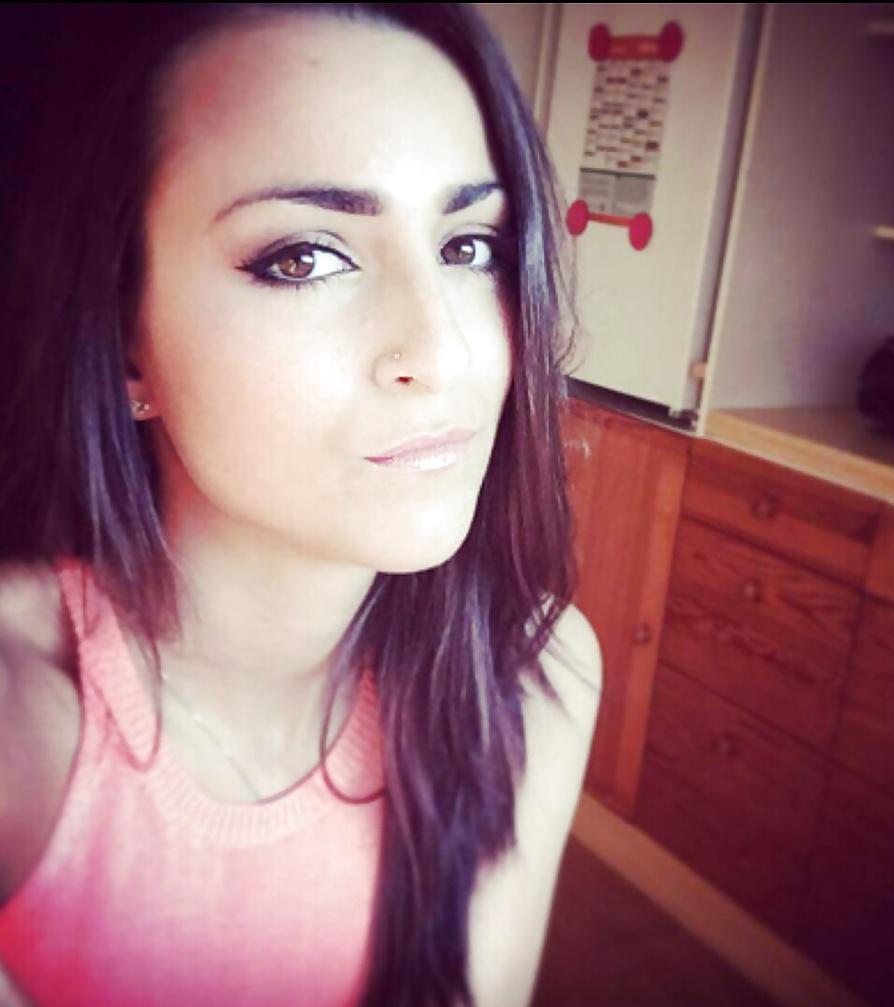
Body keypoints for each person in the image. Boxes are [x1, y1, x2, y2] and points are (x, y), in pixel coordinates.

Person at [0, 4, 601, 1007]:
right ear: (124, 339)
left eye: (469, 247)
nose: (441, 351)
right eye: (305, 257)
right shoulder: (23, 722)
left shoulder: (531, 670)